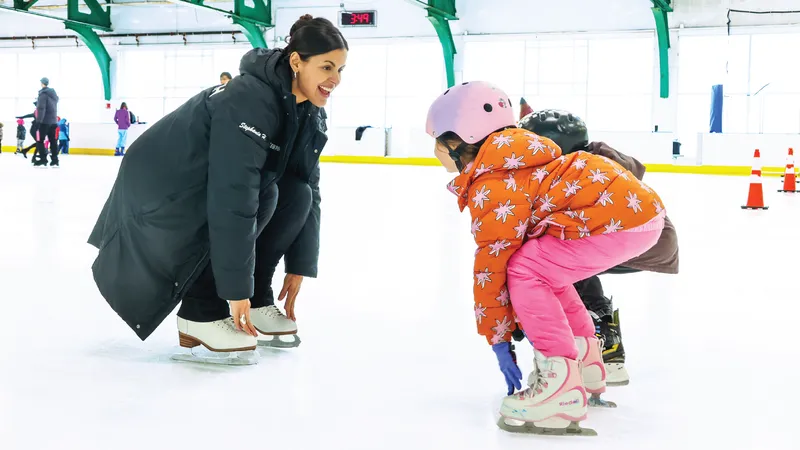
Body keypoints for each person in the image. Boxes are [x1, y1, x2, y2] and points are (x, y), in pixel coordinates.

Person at [88, 14, 348, 364]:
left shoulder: (310, 112)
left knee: (294, 193)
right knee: (263, 193)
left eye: (341, 70)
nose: (335, 80)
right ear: (297, 62)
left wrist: (300, 263)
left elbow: (308, 189)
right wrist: (233, 290)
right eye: (327, 67)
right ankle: (200, 312)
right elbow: (234, 194)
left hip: (207, 180)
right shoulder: (251, 97)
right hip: (162, 180)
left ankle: (257, 300)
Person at [425, 81, 666, 435]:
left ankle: (559, 387)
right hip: (638, 215)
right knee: (544, 268)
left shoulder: (494, 181)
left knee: (524, 269)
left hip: (617, 222)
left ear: (458, 138)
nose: (433, 150)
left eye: (436, 140)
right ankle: (585, 364)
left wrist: (497, 336)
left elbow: (492, 263)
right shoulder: (518, 157)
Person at [517, 109, 680, 386]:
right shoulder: (597, 157)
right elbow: (636, 168)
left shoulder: (571, 171)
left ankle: (596, 344)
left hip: (626, 239)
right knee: (562, 258)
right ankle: (599, 349)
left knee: (550, 262)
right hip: (649, 238)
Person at [35, 77, 59, 167]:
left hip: (45, 122)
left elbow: (41, 109)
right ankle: (55, 160)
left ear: (42, 83)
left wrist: (38, 121)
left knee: (40, 140)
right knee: (53, 141)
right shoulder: (54, 95)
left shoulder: (43, 94)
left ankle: (43, 159)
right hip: (53, 121)